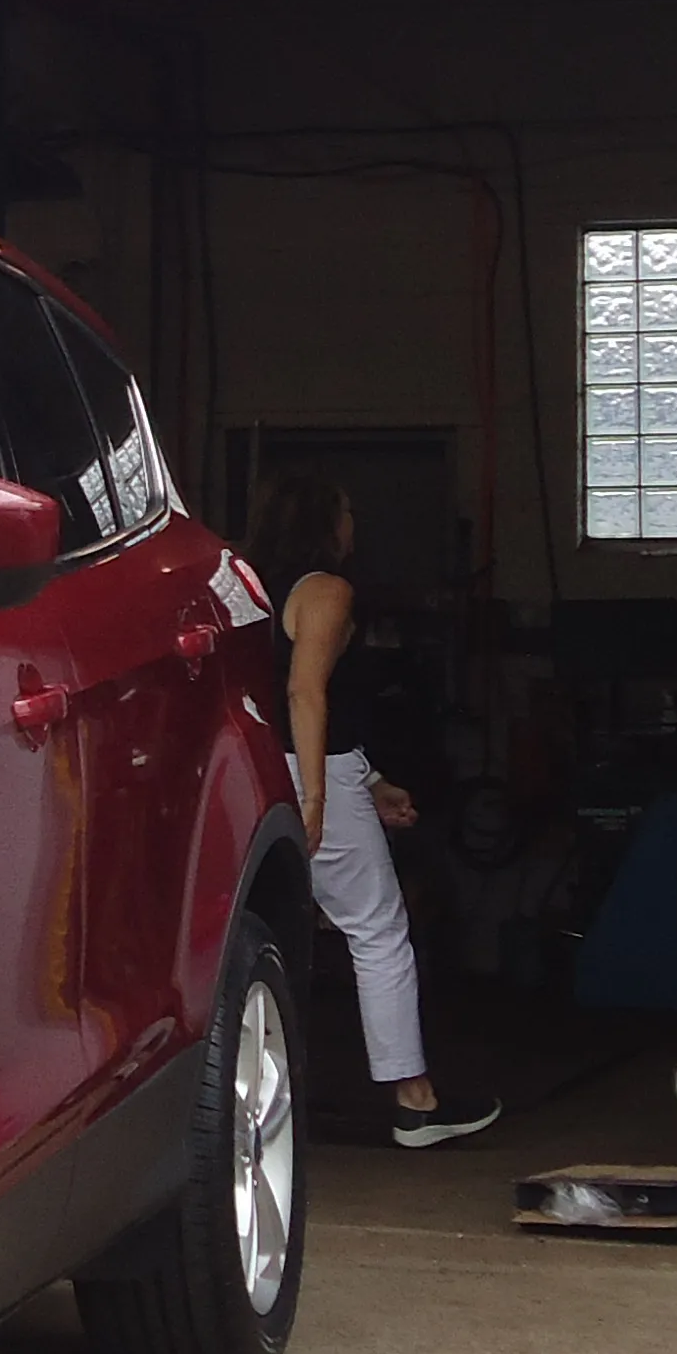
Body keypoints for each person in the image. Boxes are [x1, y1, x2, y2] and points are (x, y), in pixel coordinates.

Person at [246, 470, 504, 1150]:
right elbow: (305, 695)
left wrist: (373, 779)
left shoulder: (249, 589)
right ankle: (414, 1100)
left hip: (255, 766)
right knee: (378, 930)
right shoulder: (327, 592)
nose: (355, 523)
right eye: (348, 509)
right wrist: (318, 796)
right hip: (307, 769)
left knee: (256, 931)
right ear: (326, 524)